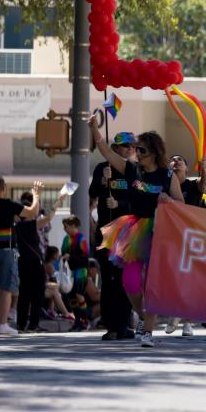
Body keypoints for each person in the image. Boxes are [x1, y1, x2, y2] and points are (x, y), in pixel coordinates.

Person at [91, 117, 184, 348]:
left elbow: (181, 204)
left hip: (160, 231)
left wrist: (168, 200)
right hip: (133, 230)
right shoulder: (131, 169)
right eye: (134, 148)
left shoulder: (166, 176)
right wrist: (94, 128)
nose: (136, 152)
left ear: (153, 152)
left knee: (151, 284)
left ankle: (148, 333)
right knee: (130, 282)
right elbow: (105, 152)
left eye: (140, 149)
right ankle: (144, 317)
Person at [0, 176, 41, 335]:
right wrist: (36, 194)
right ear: (3, 187)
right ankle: (3, 323)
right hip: (7, 250)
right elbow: (32, 212)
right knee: (7, 288)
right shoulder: (9, 204)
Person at [90, 132, 135, 341]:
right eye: (125, 146)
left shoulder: (133, 170)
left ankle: (124, 324)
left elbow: (138, 199)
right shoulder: (102, 167)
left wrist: (120, 205)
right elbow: (92, 192)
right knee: (108, 281)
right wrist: (102, 180)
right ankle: (111, 326)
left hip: (126, 232)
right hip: (105, 232)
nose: (129, 149)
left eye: (131, 146)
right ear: (115, 148)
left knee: (124, 280)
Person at [166, 152, 206, 337]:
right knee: (175, 277)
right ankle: (175, 313)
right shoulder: (164, 185)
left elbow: (204, 183)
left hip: (193, 237)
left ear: (186, 167)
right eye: (173, 159)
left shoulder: (193, 185)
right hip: (172, 236)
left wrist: (205, 167)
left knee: (190, 278)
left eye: (180, 160)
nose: (176, 162)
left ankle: (186, 322)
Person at [15, 191, 58, 332]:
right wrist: (58, 202)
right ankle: (33, 323)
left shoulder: (17, 227)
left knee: (24, 294)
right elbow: (49, 218)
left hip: (23, 263)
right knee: (37, 294)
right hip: (34, 263)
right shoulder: (29, 225)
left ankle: (21, 324)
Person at [61, 215, 91, 329]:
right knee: (72, 297)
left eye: (66, 226)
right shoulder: (66, 239)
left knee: (79, 295)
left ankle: (84, 321)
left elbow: (85, 256)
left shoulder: (81, 238)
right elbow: (63, 252)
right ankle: (77, 321)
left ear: (73, 226)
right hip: (70, 272)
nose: (65, 229)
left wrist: (71, 257)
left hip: (80, 271)